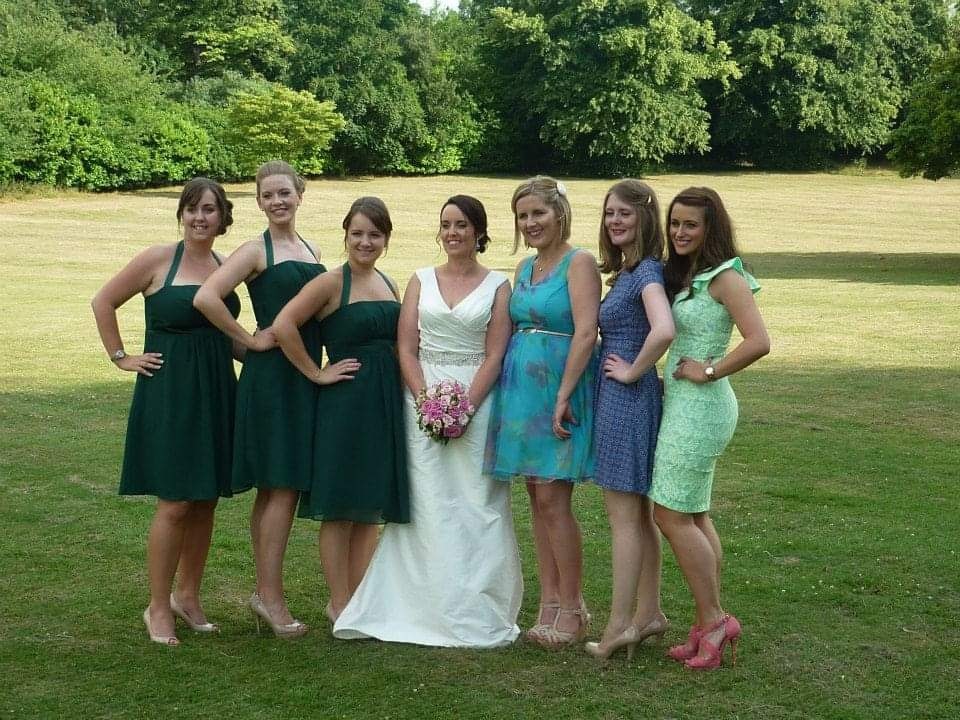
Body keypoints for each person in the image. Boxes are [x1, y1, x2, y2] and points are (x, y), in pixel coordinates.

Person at [334, 195, 523, 647]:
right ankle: (417, 603)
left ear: (479, 232)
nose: (452, 233)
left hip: (477, 398)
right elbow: (405, 348)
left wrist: (465, 407)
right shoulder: (420, 279)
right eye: (446, 225)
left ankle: (474, 604)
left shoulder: (498, 285)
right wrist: (425, 402)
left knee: (477, 501)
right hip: (421, 398)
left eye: (462, 225)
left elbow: (495, 354)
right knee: (426, 502)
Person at [91, 178, 241, 646]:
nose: (200, 217)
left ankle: (187, 597)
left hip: (217, 389)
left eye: (209, 209)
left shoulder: (226, 266)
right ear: (182, 214)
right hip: (171, 392)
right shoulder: (158, 259)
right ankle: (157, 606)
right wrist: (121, 357)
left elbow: (230, 335)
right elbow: (103, 301)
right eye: (192, 208)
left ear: (223, 217)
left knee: (206, 498)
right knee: (175, 501)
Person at [193, 161, 323, 638]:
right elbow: (206, 297)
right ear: (259, 202)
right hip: (271, 380)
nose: (277, 201)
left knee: (277, 489)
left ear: (300, 194)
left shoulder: (311, 248)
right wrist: (248, 340)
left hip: (303, 375)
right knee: (281, 486)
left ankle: (264, 593)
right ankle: (270, 598)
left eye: (284, 193)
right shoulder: (254, 250)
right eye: (268, 195)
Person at [649, 187, 770, 670]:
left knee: (669, 514)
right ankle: (706, 623)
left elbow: (759, 341)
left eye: (690, 225)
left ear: (710, 228)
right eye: (675, 223)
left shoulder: (726, 277)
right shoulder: (687, 274)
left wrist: (710, 370)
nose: (679, 232)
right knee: (693, 515)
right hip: (681, 404)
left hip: (703, 409)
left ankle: (715, 620)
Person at [273, 196, 408, 624]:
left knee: (369, 505)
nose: (365, 242)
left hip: (384, 403)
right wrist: (315, 372)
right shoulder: (331, 282)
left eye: (375, 235)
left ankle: (359, 599)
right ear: (345, 235)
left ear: (386, 239)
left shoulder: (388, 282)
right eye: (357, 234)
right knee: (342, 505)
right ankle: (338, 601)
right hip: (346, 405)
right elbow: (284, 324)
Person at [485, 176, 601, 648]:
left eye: (538, 213)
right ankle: (549, 602)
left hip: (559, 390)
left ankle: (573, 607)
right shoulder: (525, 267)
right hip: (522, 395)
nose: (530, 223)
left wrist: (563, 395)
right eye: (523, 216)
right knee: (536, 498)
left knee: (555, 499)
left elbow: (587, 332)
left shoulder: (580, 263)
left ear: (560, 214)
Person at [585, 180, 675, 660]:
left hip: (627, 400)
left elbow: (664, 329)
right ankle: (650, 613)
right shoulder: (629, 271)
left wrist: (633, 370)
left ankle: (620, 625)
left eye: (624, 213)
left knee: (623, 518)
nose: (615, 221)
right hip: (627, 398)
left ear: (644, 217)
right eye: (609, 213)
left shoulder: (647, 273)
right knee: (639, 515)